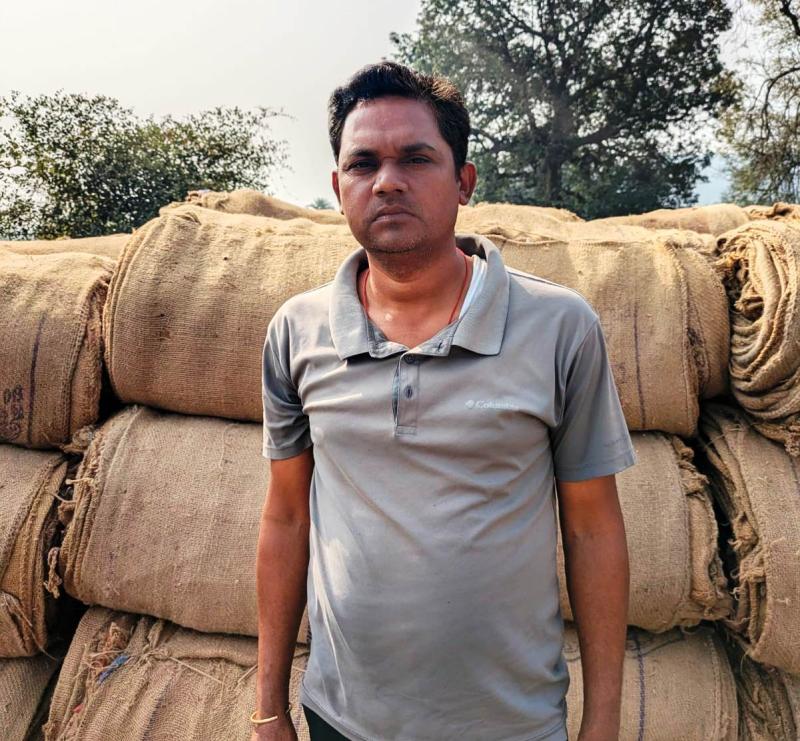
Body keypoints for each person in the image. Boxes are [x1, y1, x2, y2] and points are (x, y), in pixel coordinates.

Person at [252, 61, 633, 741]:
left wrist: (602, 722)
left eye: (416, 158)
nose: (387, 181)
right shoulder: (297, 331)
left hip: (511, 725)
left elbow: (593, 528)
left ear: (464, 182)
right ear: (338, 188)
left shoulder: (558, 327)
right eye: (363, 163)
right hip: (341, 719)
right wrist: (268, 706)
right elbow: (285, 517)